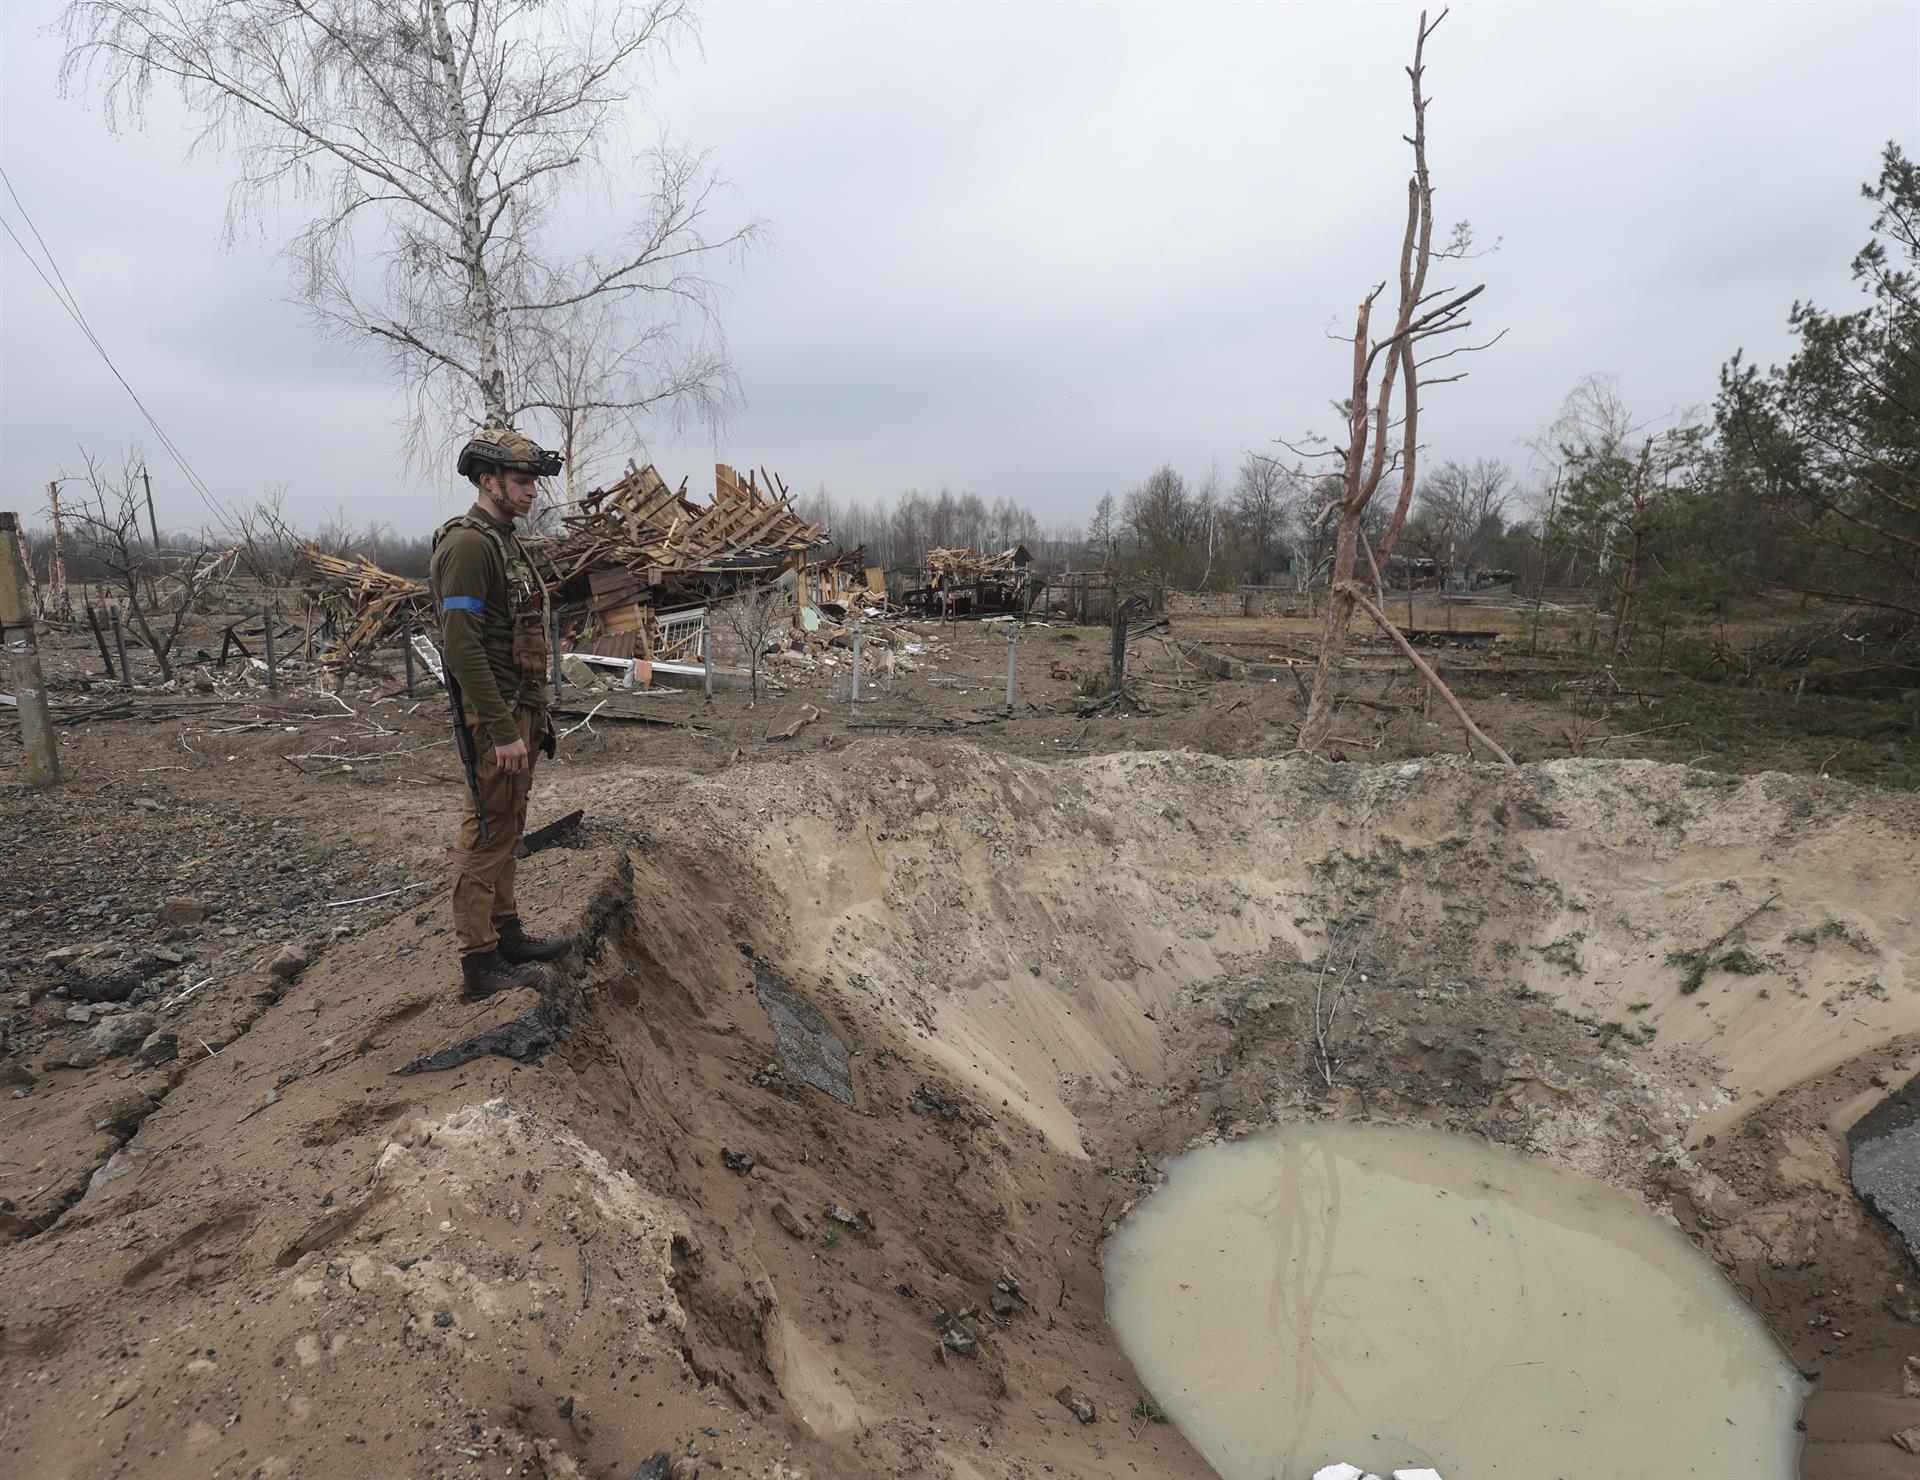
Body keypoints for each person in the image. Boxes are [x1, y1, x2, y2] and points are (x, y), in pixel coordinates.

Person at [428, 428, 571, 1001]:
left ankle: (506, 934)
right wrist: (503, 727)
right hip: (497, 721)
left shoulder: (503, 539)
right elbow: (460, 648)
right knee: (486, 834)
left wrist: (534, 717)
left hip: (519, 711)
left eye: (533, 480)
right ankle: (479, 963)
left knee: (508, 826)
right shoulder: (468, 545)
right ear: (488, 482)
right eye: (521, 481)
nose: (532, 490)